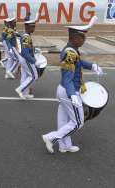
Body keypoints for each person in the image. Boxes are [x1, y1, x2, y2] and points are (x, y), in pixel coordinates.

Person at [42, 16, 103, 153]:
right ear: (74, 38)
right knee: (78, 122)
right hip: (69, 91)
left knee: (64, 121)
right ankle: (51, 138)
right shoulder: (70, 53)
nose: (84, 40)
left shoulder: (72, 50)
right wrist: (72, 95)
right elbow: (67, 77)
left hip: (65, 90)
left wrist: (92, 65)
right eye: (82, 37)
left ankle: (65, 146)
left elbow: (79, 62)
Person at [15, 13, 39, 99]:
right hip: (26, 59)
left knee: (25, 76)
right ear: (27, 27)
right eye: (32, 27)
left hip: (24, 58)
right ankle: (20, 89)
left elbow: (27, 48)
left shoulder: (26, 35)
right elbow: (25, 53)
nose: (34, 28)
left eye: (34, 26)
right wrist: (33, 61)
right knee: (34, 76)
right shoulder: (26, 37)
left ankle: (25, 93)